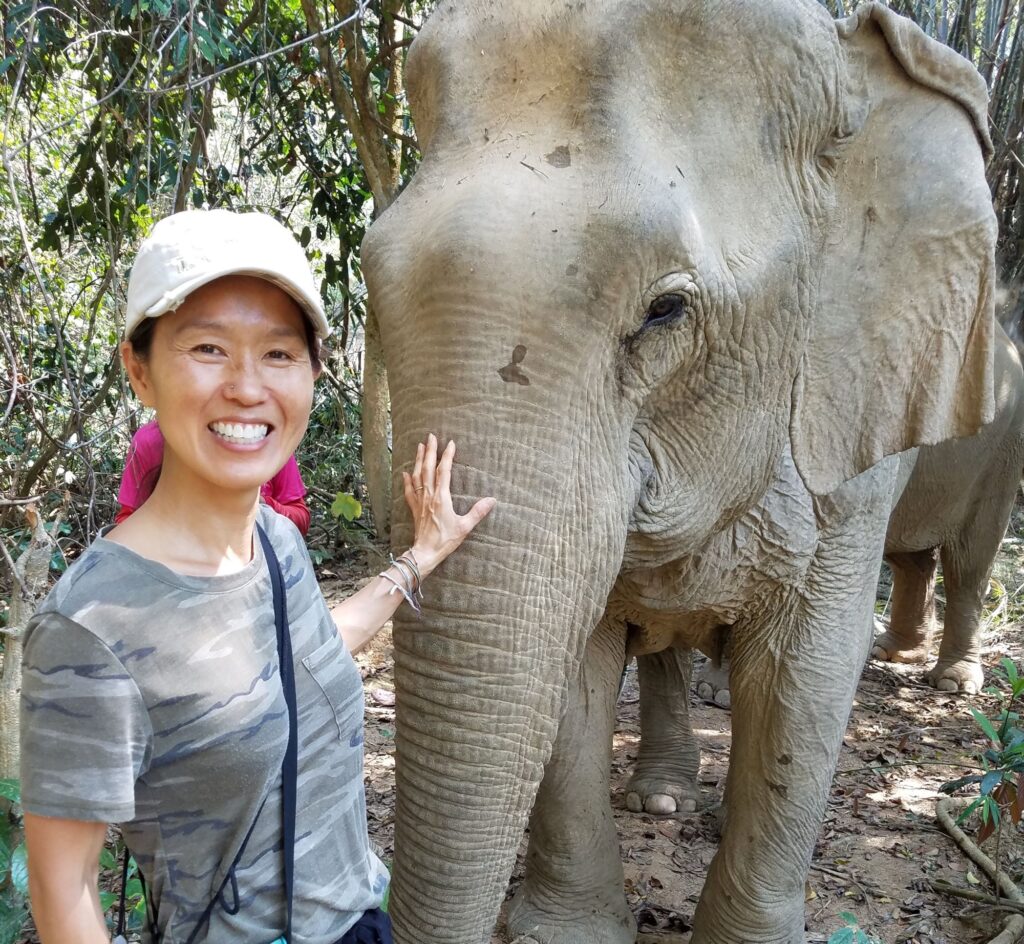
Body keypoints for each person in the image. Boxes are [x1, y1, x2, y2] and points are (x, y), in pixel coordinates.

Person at [19, 209, 495, 944]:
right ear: (138, 370)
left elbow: (299, 658)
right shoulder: (90, 626)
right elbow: (65, 889)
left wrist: (420, 555)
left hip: (362, 924)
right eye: (208, 348)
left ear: (310, 373)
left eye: (278, 353)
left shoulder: (274, 541)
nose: (246, 387)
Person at [116, 419, 313, 535]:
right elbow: (126, 521)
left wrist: (259, 504)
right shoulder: (150, 441)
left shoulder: (266, 436)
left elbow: (300, 519)